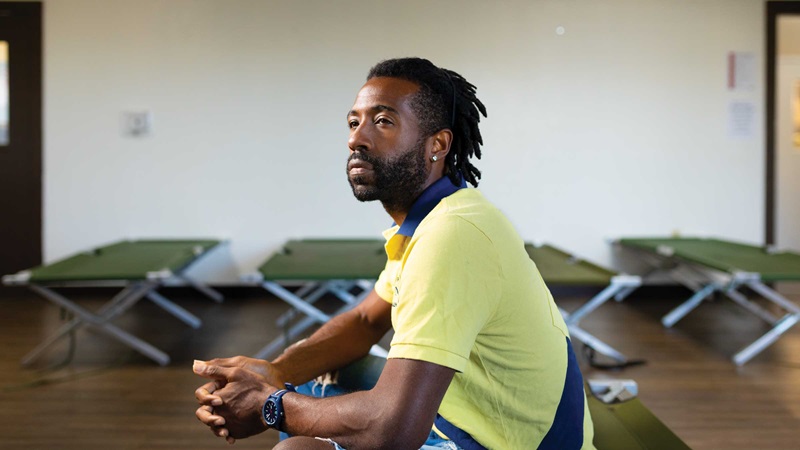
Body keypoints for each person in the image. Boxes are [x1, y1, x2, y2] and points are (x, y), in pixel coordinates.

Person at [194, 57, 595, 449]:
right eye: (354, 122)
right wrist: (273, 371)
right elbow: (365, 321)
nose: (356, 139)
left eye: (383, 121)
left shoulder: (453, 235)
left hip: (512, 441)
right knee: (309, 376)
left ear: (437, 144)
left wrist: (268, 405)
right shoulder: (432, 220)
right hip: (457, 415)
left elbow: (395, 429)